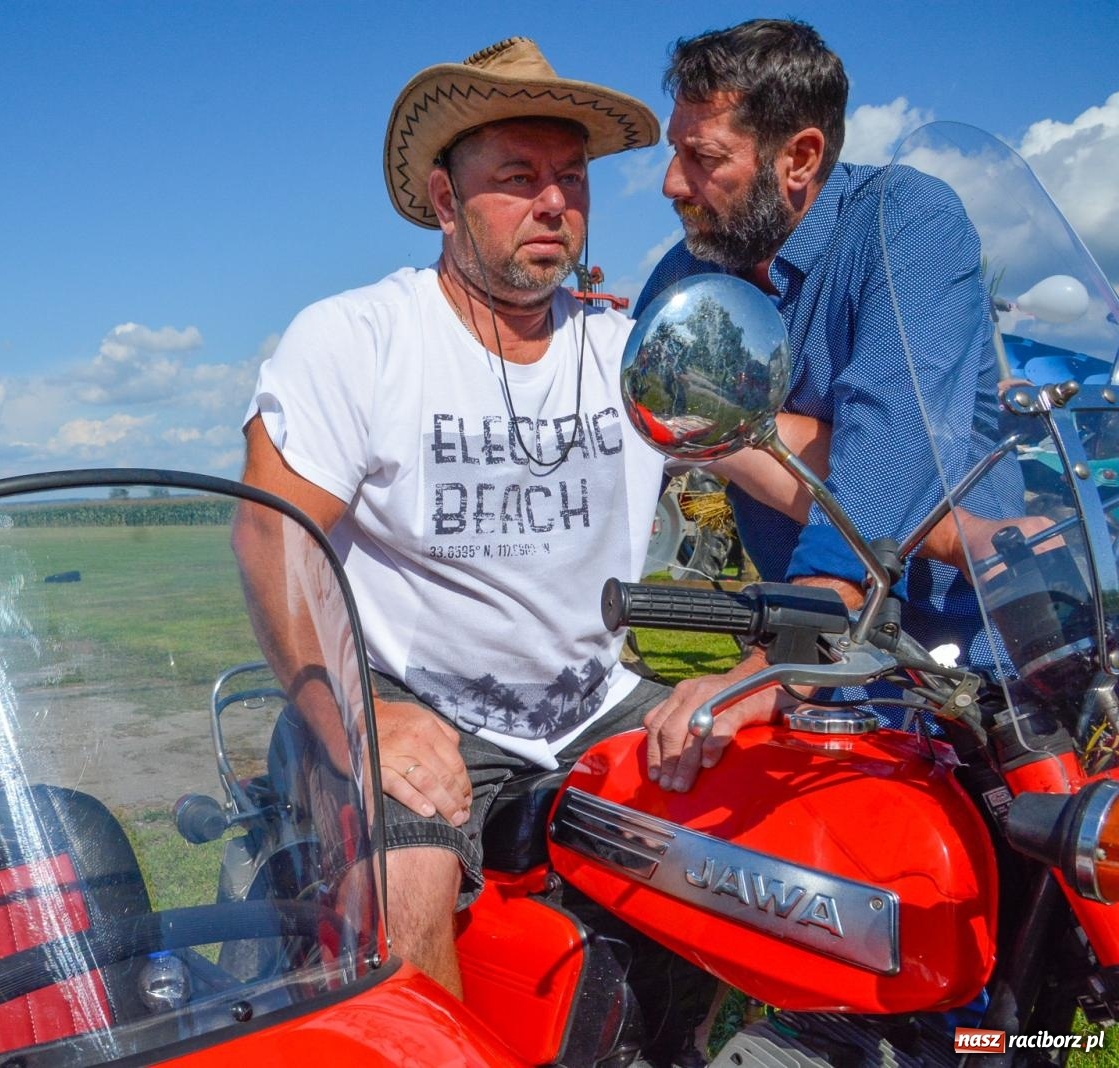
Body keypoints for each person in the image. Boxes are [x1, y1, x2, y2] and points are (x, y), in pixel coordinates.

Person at [232, 37, 668, 996]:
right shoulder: (360, 338)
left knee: (775, 838)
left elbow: (775, 451)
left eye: (570, 176)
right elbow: (271, 534)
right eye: (518, 177)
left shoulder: (633, 349)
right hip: (410, 693)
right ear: (443, 200)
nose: (555, 202)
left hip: (592, 699)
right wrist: (353, 720)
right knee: (408, 885)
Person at [633, 18, 1004, 792]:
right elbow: (665, 431)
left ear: (799, 158)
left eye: (702, 158)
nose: (671, 183)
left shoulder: (905, 220)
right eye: (675, 151)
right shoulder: (683, 282)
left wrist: (797, 641)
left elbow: (896, 436)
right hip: (827, 683)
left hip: (978, 661)